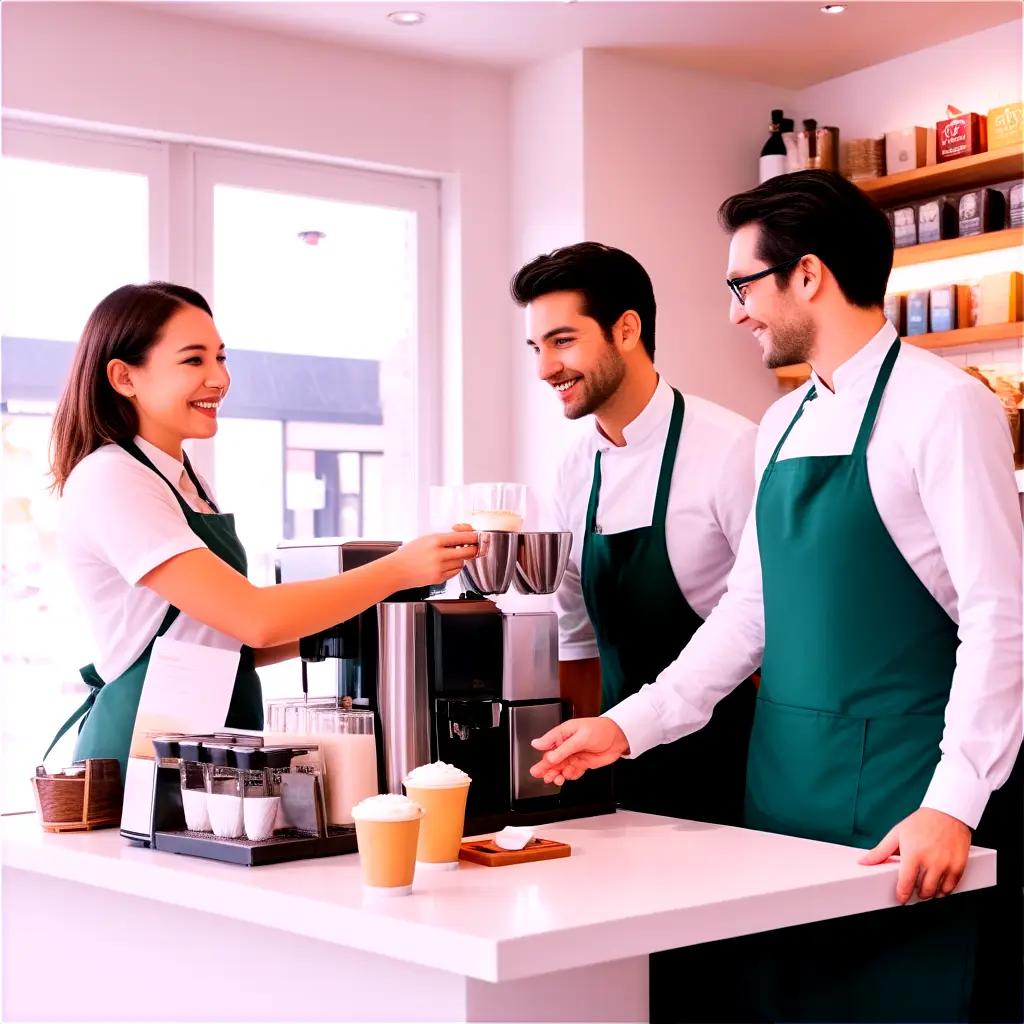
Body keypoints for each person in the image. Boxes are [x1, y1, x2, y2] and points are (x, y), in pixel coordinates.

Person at [530, 173, 1023, 1023]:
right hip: (783, 797)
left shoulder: (947, 409)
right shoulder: (787, 421)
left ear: (808, 275)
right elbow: (751, 614)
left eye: (742, 285)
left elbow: (1001, 618)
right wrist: (628, 726)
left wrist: (954, 802)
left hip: (905, 801)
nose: (735, 312)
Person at [45, 282, 476, 778]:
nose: (219, 378)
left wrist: (378, 611)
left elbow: (231, 641)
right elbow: (252, 617)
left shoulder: (183, 479)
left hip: (209, 741)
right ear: (124, 377)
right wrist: (398, 569)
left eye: (221, 358)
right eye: (194, 360)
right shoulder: (113, 479)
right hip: (143, 756)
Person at [511, 242, 758, 826]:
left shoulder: (731, 448)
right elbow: (575, 633)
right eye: (537, 347)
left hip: (730, 762)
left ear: (627, 330)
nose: (545, 369)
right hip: (613, 761)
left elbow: (767, 624)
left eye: (563, 341)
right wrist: (569, 769)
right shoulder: (574, 468)